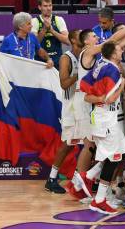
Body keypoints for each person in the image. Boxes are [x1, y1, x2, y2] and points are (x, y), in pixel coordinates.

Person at [82, 41, 125, 215]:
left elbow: (86, 95)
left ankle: (89, 175)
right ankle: (99, 200)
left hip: (101, 117)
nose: (121, 50)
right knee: (114, 158)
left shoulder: (99, 65)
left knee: (123, 152)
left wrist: (99, 98)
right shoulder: (113, 71)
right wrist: (122, 87)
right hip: (107, 118)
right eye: (119, 49)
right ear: (113, 53)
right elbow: (108, 99)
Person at [45, 29, 82, 194]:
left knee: (90, 143)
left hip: (84, 104)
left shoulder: (87, 55)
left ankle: (80, 180)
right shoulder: (66, 58)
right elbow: (64, 84)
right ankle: (52, 178)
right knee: (68, 144)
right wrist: (80, 74)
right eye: (79, 35)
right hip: (71, 106)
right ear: (73, 40)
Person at [31, 0, 69, 68]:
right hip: (40, 61)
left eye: (50, 5)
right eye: (45, 6)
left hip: (57, 60)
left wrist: (52, 31)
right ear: (39, 7)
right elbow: (35, 43)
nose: (48, 8)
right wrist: (44, 29)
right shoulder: (34, 21)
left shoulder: (59, 19)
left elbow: (67, 41)